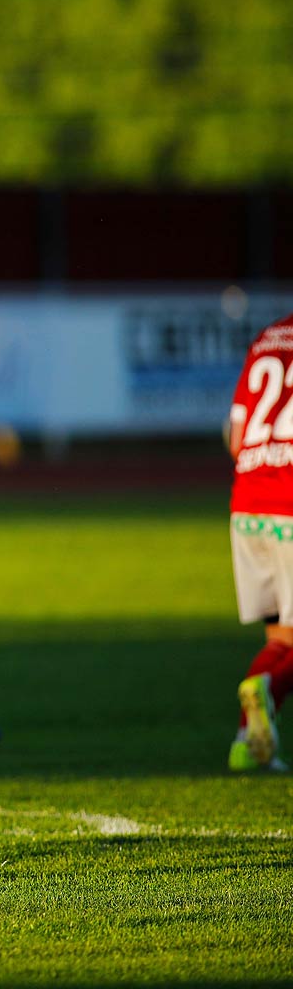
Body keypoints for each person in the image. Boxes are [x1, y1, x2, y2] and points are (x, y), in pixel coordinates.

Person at [223, 312, 293, 772]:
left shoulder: (268, 337)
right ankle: (264, 687)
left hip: (247, 505)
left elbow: (234, 437)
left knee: (282, 638)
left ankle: (250, 742)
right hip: (289, 500)